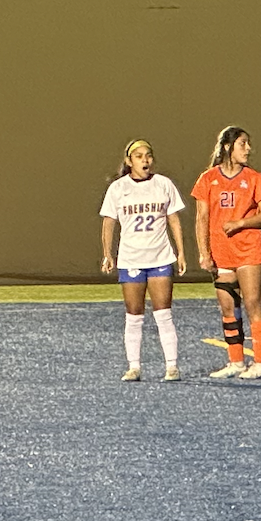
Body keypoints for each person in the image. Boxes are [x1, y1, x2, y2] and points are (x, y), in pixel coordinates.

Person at [100, 140, 188, 381]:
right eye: (139, 156)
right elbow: (108, 222)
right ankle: (134, 366)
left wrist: (180, 252)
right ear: (129, 161)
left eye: (148, 155)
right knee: (134, 314)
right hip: (131, 259)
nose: (145, 160)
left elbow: (174, 220)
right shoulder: (118, 188)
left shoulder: (163, 184)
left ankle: (171, 366)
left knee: (163, 313)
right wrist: (108, 253)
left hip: (160, 256)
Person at [192, 126, 261, 380]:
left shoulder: (254, 178)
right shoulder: (207, 179)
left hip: (248, 250)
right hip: (221, 252)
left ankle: (260, 363)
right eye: (243, 144)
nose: (248, 149)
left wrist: (240, 223)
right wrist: (204, 253)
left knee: (252, 304)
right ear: (228, 147)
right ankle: (236, 361)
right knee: (228, 307)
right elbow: (201, 218)